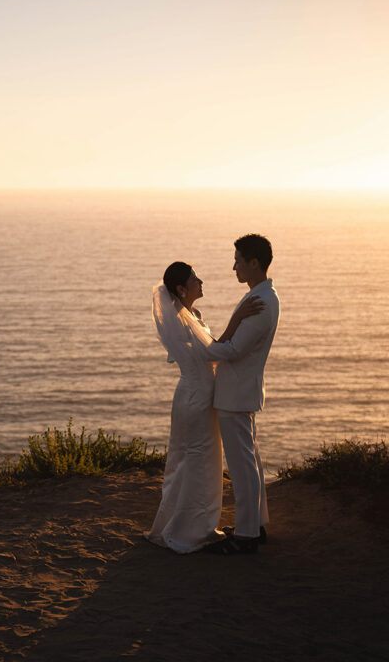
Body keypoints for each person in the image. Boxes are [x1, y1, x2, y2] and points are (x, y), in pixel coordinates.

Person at [147, 260, 263, 553]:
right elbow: (217, 352)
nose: (201, 282)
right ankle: (191, 531)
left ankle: (186, 524)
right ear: (182, 289)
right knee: (198, 462)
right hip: (197, 399)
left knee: (194, 462)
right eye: (195, 279)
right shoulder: (183, 320)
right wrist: (238, 318)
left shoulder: (190, 316)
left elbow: (206, 351)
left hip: (194, 395)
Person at [201, 234, 280, 555]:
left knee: (242, 465)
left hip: (236, 393)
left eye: (238, 260)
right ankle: (255, 526)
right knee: (250, 462)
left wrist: (204, 346)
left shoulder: (260, 302)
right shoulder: (261, 296)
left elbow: (232, 350)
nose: (234, 266)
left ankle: (247, 536)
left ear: (254, 263)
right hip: (240, 391)